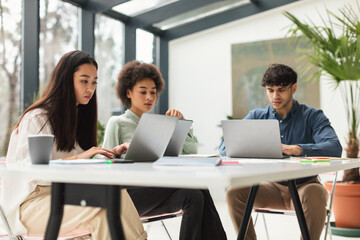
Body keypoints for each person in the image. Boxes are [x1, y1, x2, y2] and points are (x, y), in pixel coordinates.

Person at [0, 50, 147, 240]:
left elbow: (83, 161)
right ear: (66, 80)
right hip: (29, 206)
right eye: (84, 81)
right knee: (108, 203)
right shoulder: (37, 118)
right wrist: (77, 158)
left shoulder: (75, 120)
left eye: (94, 82)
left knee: (110, 205)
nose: (90, 89)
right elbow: (31, 171)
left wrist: (111, 154)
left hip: (62, 197)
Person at [102, 60, 227, 240]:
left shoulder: (159, 124)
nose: (149, 97)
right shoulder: (118, 123)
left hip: (157, 190)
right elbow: (105, 167)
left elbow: (189, 151)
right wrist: (117, 153)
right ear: (128, 92)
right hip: (129, 197)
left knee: (194, 196)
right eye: (143, 92)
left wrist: (181, 125)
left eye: (153, 92)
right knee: (197, 184)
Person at [220, 63, 342, 240]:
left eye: (281, 90)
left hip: (304, 187)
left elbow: (334, 147)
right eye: (270, 90)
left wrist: (299, 149)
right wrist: (253, 146)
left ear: (294, 88)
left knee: (315, 194)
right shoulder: (257, 116)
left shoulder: (312, 116)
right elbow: (225, 147)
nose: (275, 96)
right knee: (234, 193)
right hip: (271, 187)